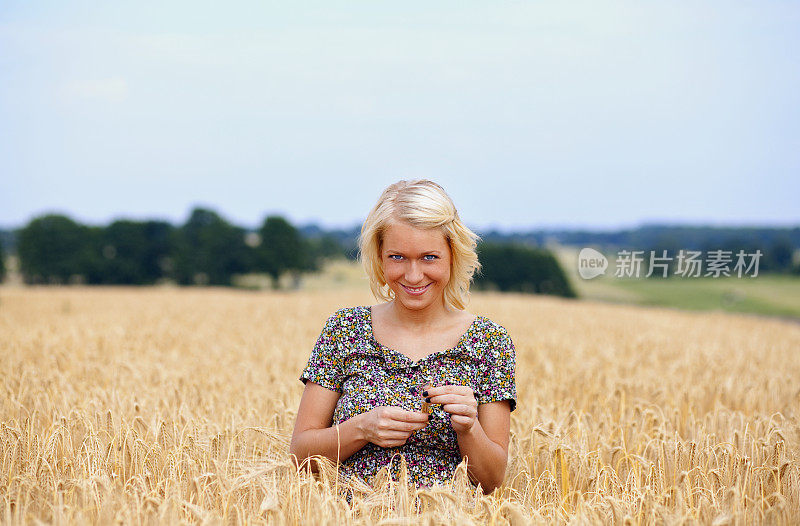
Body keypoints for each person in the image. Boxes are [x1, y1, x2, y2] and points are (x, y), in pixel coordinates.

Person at [289, 179, 517, 493]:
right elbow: (299, 455)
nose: (413, 275)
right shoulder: (343, 330)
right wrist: (361, 429)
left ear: (453, 254)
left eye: (429, 257)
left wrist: (468, 427)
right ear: (379, 258)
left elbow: (492, 480)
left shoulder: (490, 343)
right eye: (397, 257)